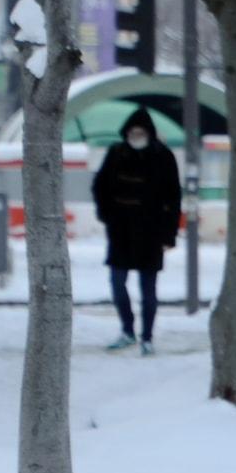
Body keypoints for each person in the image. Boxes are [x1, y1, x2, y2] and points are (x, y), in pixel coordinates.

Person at [91, 107, 181, 355]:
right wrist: (107, 214)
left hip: (151, 232)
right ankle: (127, 329)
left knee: (148, 288)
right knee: (117, 282)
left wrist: (169, 234)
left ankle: (147, 336)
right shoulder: (116, 153)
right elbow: (99, 186)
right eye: (132, 131)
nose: (136, 135)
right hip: (120, 230)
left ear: (149, 133)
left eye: (140, 131)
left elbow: (174, 198)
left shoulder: (163, 156)